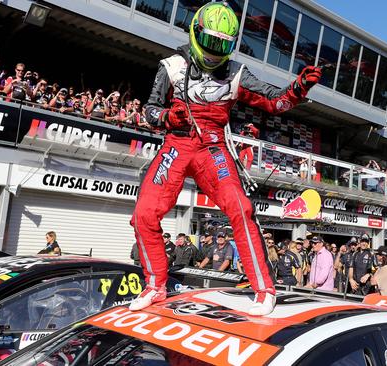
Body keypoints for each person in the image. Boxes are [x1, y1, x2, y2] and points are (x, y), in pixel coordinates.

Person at [129, 1, 321, 315]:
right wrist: (167, 117)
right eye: (211, 41)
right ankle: (155, 285)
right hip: (177, 144)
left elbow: (274, 103)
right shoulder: (172, 64)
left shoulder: (236, 73)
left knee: (241, 208)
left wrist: (298, 89)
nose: (215, 49)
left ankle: (263, 289)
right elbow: (149, 110)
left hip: (213, 147)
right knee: (144, 215)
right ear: (196, 33)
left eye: (223, 44)